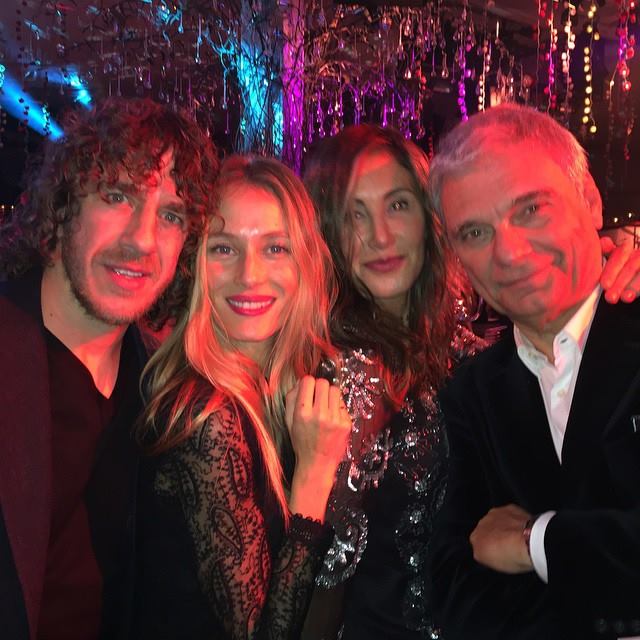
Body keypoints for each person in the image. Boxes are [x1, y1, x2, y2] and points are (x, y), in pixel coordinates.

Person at [0, 97, 219, 640]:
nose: (141, 240)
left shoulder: (161, 385)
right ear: (63, 207)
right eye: (118, 196)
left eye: (170, 215)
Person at [427, 103, 640, 639]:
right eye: (476, 232)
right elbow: (457, 591)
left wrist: (537, 541)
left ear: (590, 200)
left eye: (530, 209)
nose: (511, 253)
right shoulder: (470, 392)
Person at [132, 155, 351, 639]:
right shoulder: (205, 416)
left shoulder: (280, 390)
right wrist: (315, 474)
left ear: (305, 264)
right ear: (195, 265)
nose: (250, 275)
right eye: (224, 248)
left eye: (275, 248)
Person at [302, 124, 484, 640]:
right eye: (353, 215)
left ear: (429, 218)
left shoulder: (470, 356)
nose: (380, 237)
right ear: (326, 233)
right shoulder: (339, 375)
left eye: (397, 205)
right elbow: (325, 577)